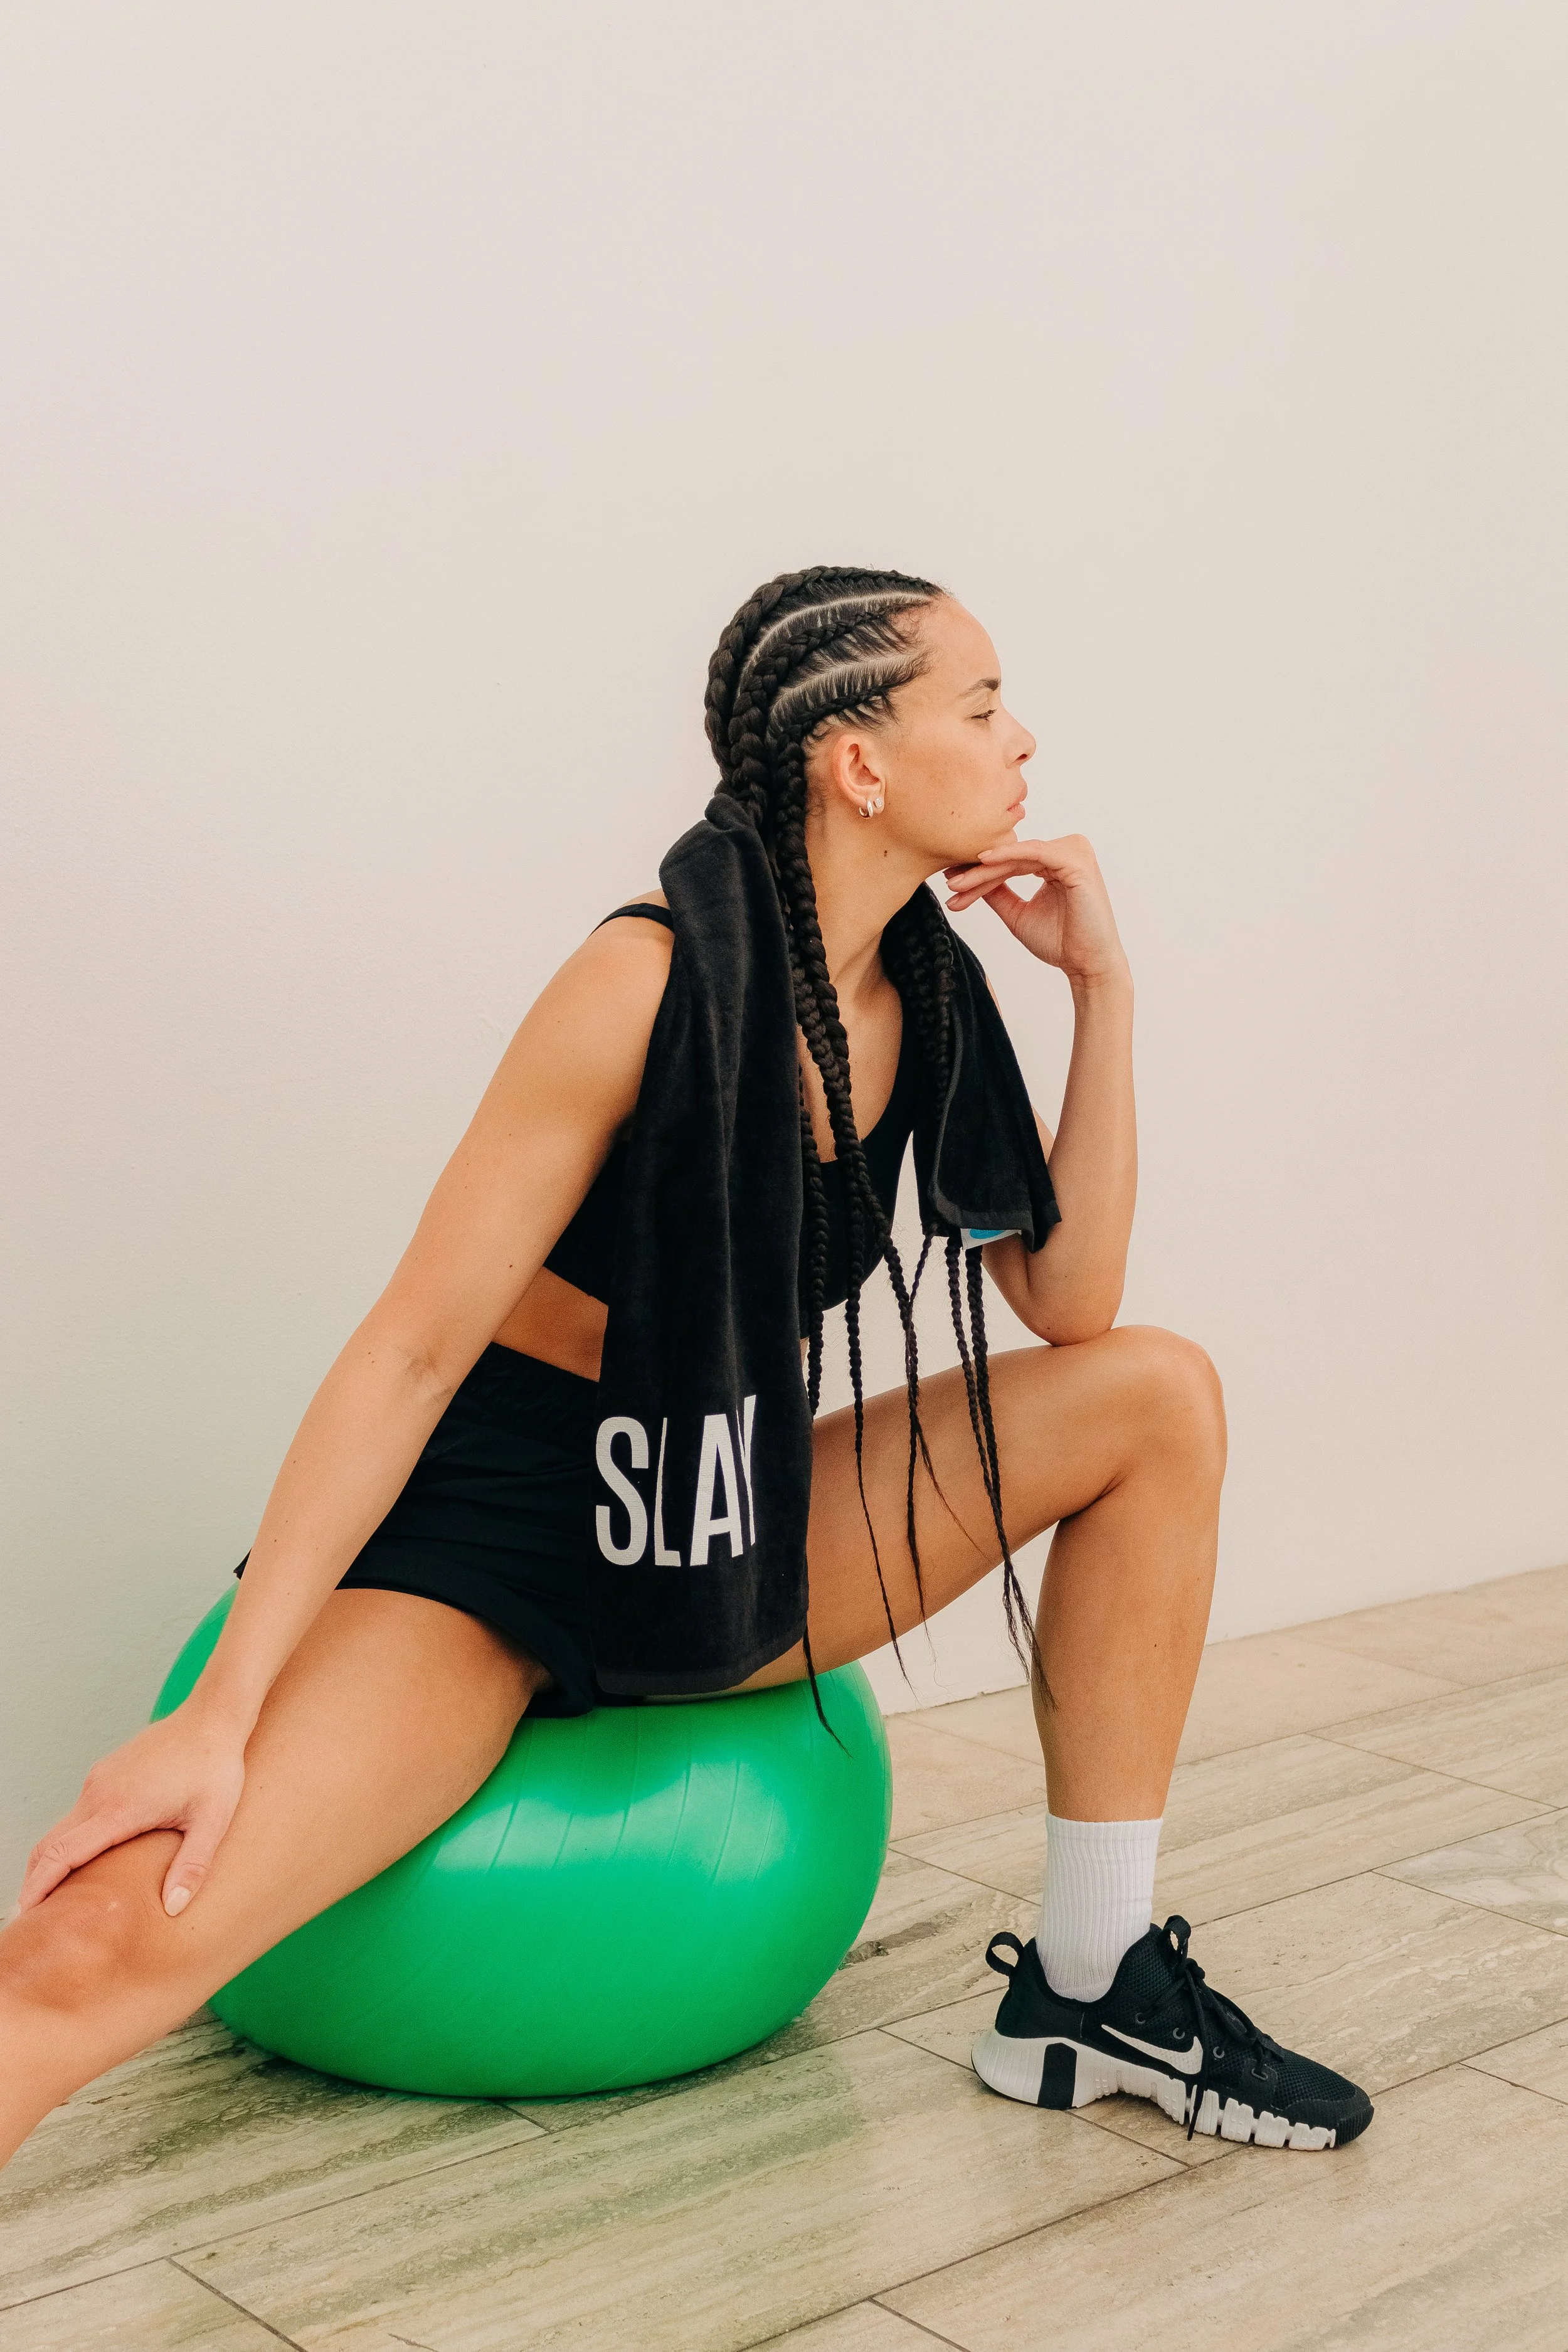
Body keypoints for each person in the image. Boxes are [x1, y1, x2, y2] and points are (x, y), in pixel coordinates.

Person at [0, 566, 1372, 2164]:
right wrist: (222, 1711)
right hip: (490, 1536)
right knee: (93, 1952)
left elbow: (1069, 1303)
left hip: (722, 1507)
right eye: (983, 705)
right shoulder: (641, 984)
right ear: (857, 763)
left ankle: (1092, 1983)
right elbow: (413, 1345)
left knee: (1155, 1394)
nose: (1022, 741)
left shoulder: (924, 994)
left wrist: (1101, 991)